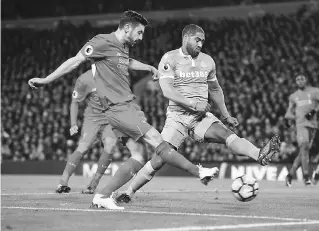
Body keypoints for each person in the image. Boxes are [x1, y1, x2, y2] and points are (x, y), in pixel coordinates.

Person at [29, 10, 219, 210]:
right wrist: (46, 80)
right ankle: (198, 172)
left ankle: (102, 196)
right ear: (127, 28)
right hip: (118, 108)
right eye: (139, 32)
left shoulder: (123, 47)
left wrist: (148, 68)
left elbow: (126, 62)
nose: (141, 37)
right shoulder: (102, 42)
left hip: (125, 107)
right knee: (158, 141)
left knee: (138, 156)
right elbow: (75, 60)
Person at [113, 24, 281, 203]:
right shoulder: (170, 58)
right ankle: (128, 192)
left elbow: (215, 89)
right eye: (197, 40)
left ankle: (259, 155)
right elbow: (167, 91)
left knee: (227, 134)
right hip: (177, 118)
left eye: (203, 41)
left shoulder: (208, 61)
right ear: (186, 38)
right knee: (159, 159)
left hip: (200, 117)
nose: (201, 44)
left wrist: (225, 115)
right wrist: (193, 103)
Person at [56, 70, 117, 194]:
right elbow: (75, 101)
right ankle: (63, 182)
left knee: (110, 146)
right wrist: (73, 123)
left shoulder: (116, 74)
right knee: (83, 147)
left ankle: (93, 184)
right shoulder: (84, 80)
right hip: (92, 120)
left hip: (111, 118)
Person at [284, 74, 319, 186]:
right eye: (297, 79)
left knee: (304, 151)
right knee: (305, 145)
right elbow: (288, 113)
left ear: (305, 80)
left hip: (313, 125)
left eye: (302, 79)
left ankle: (290, 175)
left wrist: (314, 111)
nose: (300, 81)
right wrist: (292, 119)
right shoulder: (293, 96)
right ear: (296, 82)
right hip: (301, 125)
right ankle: (306, 176)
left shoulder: (314, 91)